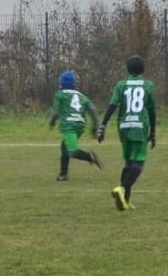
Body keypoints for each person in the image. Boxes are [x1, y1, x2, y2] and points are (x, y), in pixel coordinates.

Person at [98, 55, 157, 211]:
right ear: (142, 69)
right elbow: (151, 110)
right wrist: (153, 131)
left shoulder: (121, 85)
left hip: (124, 126)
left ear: (128, 69)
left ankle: (125, 201)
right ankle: (122, 189)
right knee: (138, 164)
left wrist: (103, 125)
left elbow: (112, 105)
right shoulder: (148, 85)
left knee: (129, 163)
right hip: (139, 127)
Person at [48, 70, 101, 181]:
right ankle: (63, 174)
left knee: (72, 151)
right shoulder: (82, 96)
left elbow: (56, 112)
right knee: (64, 147)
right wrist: (95, 127)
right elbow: (93, 110)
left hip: (69, 125)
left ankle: (89, 157)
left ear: (61, 84)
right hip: (80, 125)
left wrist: (52, 122)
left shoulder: (60, 95)